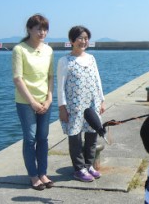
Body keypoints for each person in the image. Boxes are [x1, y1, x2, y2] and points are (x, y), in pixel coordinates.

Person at [57, 26, 105, 182]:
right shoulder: (64, 61)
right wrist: (62, 107)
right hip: (74, 105)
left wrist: (102, 100)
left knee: (92, 133)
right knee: (75, 136)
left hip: (92, 103)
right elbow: (60, 86)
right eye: (80, 38)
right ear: (71, 41)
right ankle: (79, 169)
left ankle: (88, 165)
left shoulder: (91, 58)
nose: (84, 41)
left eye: (86, 38)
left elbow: (97, 80)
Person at [12, 14, 54, 191]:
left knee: (43, 138)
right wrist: (32, 102)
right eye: (39, 28)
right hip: (25, 102)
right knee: (30, 139)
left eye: (45, 29)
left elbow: (50, 76)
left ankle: (42, 172)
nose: (42, 32)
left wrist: (49, 98)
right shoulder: (19, 49)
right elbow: (18, 79)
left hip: (45, 101)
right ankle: (33, 175)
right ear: (29, 29)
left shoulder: (49, 50)